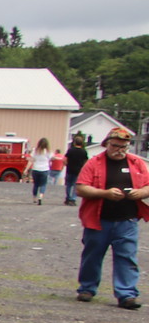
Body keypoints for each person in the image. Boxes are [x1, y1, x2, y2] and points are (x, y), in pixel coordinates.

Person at [74, 127, 149, 309]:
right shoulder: (94, 163)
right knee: (92, 255)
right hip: (99, 220)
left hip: (127, 220)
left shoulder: (137, 163)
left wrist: (140, 193)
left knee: (127, 257)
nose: (119, 150)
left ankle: (127, 294)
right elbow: (81, 188)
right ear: (106, 144)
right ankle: (87, 288)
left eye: (124, 147)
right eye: (115, 146)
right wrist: (104, 193)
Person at [64, 133, 88, 205]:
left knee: (68, 184)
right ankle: (73, 199)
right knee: (75, 185)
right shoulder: (84, 151)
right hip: (78, 171)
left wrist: (66, 164)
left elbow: (65, 159)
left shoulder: (70, 150)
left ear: (74, 142)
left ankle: (68, 198)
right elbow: (86, 161)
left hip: (69, 170)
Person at [28, 138, 52, 205]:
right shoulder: (48, 151)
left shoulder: (35, 150)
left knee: (36, 184)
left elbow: (31, 159)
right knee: (43, 184)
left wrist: (26, 169)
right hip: (44, 169)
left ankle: (34, 198)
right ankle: (40, 197)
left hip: (35, 169)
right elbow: (51, 158)